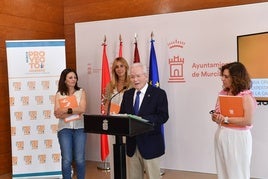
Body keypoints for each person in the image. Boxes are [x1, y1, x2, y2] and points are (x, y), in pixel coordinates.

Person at [119, 62, 169, 179]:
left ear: (146, 76)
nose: (135, 79)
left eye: (138, 76)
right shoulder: (127, 94)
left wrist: (142, 120)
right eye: (132, 77)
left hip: (150, 144)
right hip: (132, 145)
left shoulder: (159, 94)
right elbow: (123, 114)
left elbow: (163, 116)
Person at [211, 62, 257, 179]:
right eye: (223, 76)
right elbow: (217, 115)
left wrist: (226, 119)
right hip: (222, 134)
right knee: (223, 172)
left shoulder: (246, 96)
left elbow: (248, 121)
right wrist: (216, 117)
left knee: (237, 173)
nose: (222, 79)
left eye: (226, 76)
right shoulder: (223, 94)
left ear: (236, 78)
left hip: (238, 138)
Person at [54, 68, 87, 179]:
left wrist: (66, 110)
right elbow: (57, 114)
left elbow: (82, 109)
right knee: (67, 159)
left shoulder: (81, 92)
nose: (74, 79)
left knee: (80, 159)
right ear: (64, 80)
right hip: (64, 129)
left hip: (80, 128)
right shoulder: (59, 94)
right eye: (70, 77)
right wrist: (74, 110)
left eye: (75, 77)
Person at [103, 57, 131, 179]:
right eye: (117, 67)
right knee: (115, 152)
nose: (119, 69)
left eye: (122, 66)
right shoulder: (110, 85)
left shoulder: (132, 83)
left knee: (128, 155)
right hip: (113, 123)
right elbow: (107, 103)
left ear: (126, 67)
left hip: (127, 122)